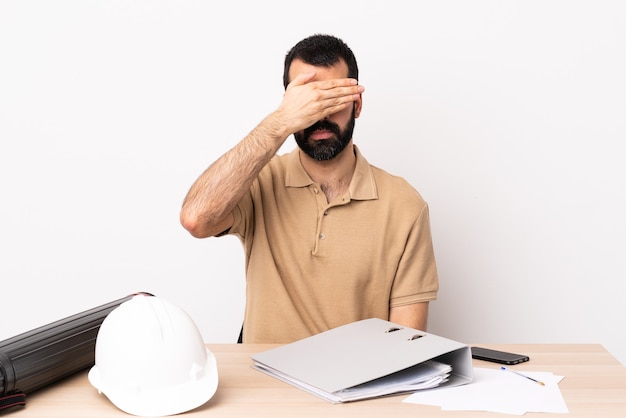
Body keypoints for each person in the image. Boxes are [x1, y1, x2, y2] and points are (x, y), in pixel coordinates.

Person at [180, 34, 439, 343]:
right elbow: (196, 218)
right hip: (266, 385)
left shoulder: (404, 205)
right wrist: (279, 123)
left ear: (357, 104)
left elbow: (406, 347)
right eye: (308, 101)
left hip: (355, 386)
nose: (320, 115)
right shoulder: (260, 181)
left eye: (333, 98)